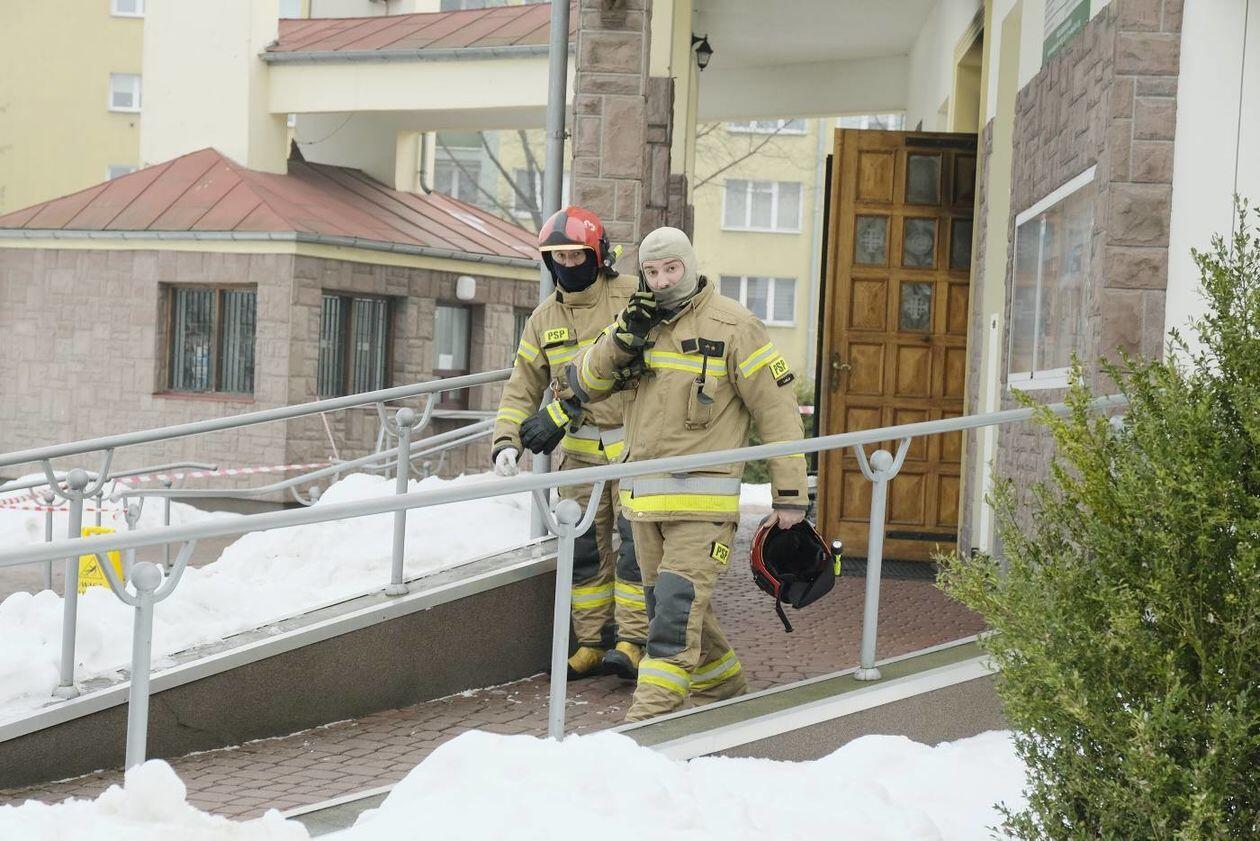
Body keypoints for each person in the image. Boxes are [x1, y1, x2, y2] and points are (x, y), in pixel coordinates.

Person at [523, 226, 808, 721]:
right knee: (671, 608)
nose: (661, 281)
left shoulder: (735, 326)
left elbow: (778, 412)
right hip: (644, 505)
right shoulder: (635, 322)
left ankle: (645, 721)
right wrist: (621, 340)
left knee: (674, 613)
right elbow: (576, 384)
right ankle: (724, 689)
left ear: (690, 266)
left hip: (703, 509)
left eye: (671, 269)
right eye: (651, 272)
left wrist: (789, 497)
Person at [491, 206, 647, 680]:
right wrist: (506, 440)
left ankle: (633, 642)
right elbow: (522, 383)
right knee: (582, 552)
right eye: (557, 257)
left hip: (636, 449)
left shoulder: (632, 295)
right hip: (579, 457)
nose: (567, 264)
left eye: (576, 255)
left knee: (636, 549)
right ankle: (593, 643)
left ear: (597, 255)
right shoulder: (544, 318)